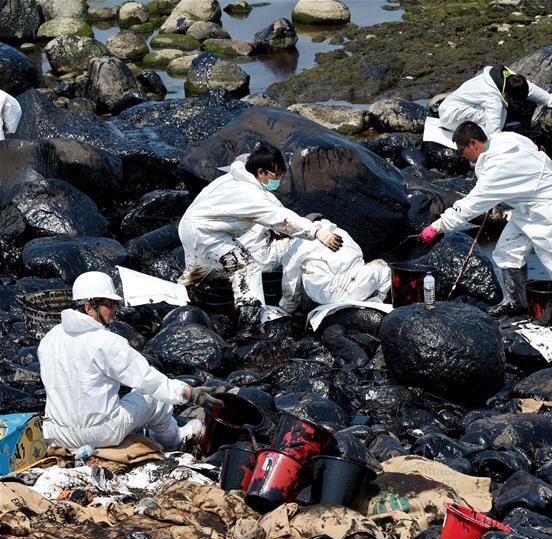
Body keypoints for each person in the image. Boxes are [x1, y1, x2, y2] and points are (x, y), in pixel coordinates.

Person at [417, 121, 552, 315]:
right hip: (527, 206)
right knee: (507, 252)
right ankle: (517, 303)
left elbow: (469, 206)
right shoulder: (504, 138)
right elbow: (537, 152)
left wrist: (437, 226)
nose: (462, 157)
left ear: (473, 143)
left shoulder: (497, 168)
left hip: (549, 209)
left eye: (462, 151)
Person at [37, 272, 224, 450]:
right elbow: (148, 379)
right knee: (154, 399)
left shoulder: (50, 338)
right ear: (89, 307)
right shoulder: (106, 342)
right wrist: (189, 393)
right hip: (100, 433)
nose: (115, 310)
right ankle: (176, 441)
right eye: (109, 304)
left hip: (58, 435)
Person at [178, 144, 344, 339]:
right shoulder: (251, 194)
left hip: (189, 227)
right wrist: (316, 232)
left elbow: (274, 208)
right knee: (247, 268)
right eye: (276, 174)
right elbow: (281, 219)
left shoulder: (234, 177)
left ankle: (182, 305)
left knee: (198, 274)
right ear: (261, 172)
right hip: (207, 234)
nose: (279, 179)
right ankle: (249, 327)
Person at [279, 215, 391, 310]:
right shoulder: (342, 232)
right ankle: (378, 300)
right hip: (360, 286)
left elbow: (291, 285)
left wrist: (287, 309)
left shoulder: (296, 247)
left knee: (305, 272)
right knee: (382, 265)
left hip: (326, 296)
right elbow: (359, 256)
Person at [438, 65, 552, 136]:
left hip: (458, 104)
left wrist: (548, 98)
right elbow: (493, 130)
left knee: (503, 114)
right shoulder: (492, 98)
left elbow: (527, 88)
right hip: (450, 115)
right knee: (500, 116)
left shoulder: (507, 76)